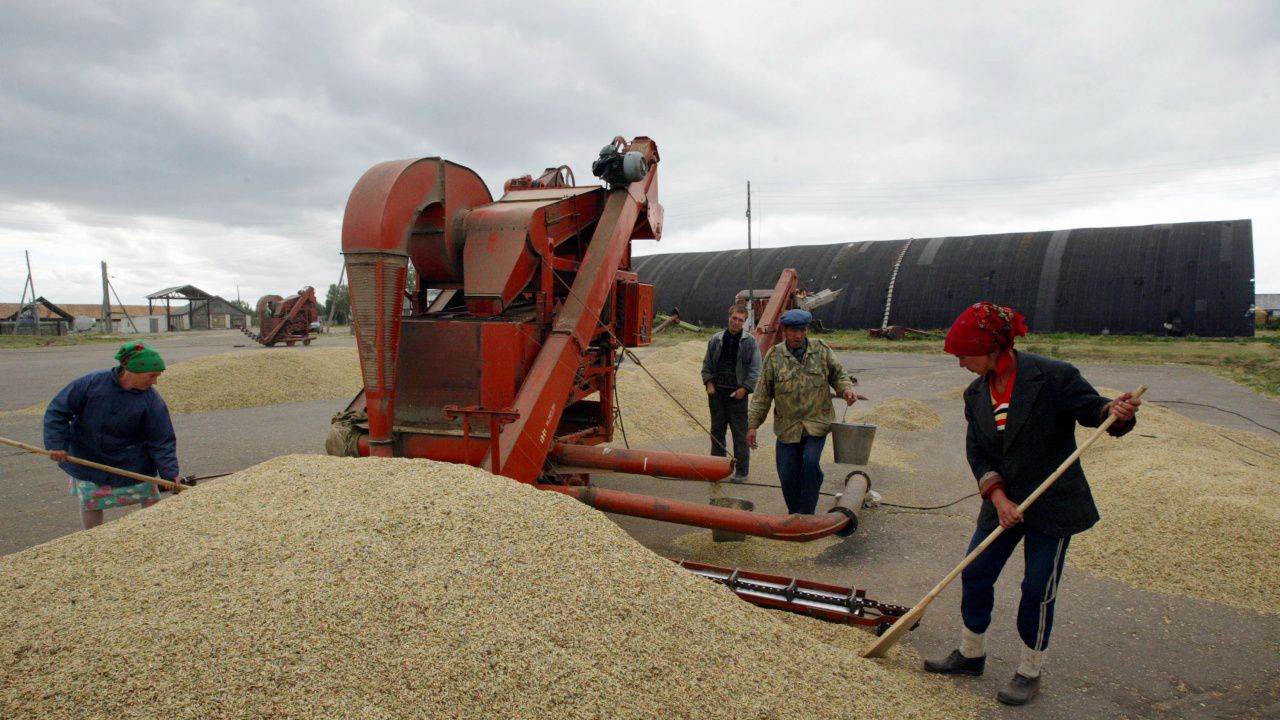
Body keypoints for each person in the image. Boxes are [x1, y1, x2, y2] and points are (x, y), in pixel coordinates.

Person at [923, 302, 1141, 706]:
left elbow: (1096, 411)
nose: (959, 365)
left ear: (990, 349)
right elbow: (979, 454)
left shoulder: (1053, 376)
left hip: (1052, 502)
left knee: (1037, 587)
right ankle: (971, 652)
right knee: (976, 573)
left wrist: (1117, 411)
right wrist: (999, 496)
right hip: (1002, 501)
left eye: (962, 356)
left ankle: (1029, 669)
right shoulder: (975, 394)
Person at [43, 341, 180, 530]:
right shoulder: (91, 384)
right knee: (91, 502)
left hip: (132, 460)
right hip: (89, 455)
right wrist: (57, 444)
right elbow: (58, 412)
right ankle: (92, 538)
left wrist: (170, 474)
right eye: (152, 376)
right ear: (131, 371)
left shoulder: (151, 399)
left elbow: (161, 439)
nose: (155, 381)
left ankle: (150, 533)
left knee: (149, 496)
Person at [746, 308, 857, 513]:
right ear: (785, 331)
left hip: (817, 422)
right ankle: (794, 512)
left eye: (802, 330)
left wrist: (846, 390)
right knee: (787, 473)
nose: (798, 335)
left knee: (810, 463)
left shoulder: (821, 350)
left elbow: (839, 375)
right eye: (793, 330)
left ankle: (806, 514)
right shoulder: (774, 356)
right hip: (787, 427)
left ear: (807, 330)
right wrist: (753, 425)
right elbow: (762, 394)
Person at [701, 303, 761, 483]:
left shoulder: (750, 342)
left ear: (744, 322)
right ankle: (717, 469)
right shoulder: (715, 340)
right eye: (734, 318)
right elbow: (707, 365)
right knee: (717, 432)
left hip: (738, 396)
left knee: (739, 434)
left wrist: (744, 389)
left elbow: (756, 370)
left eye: (740, 320)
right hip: (717, 395)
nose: (736, 322)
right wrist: (709, 383)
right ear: (729, 317)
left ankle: (741, 471)